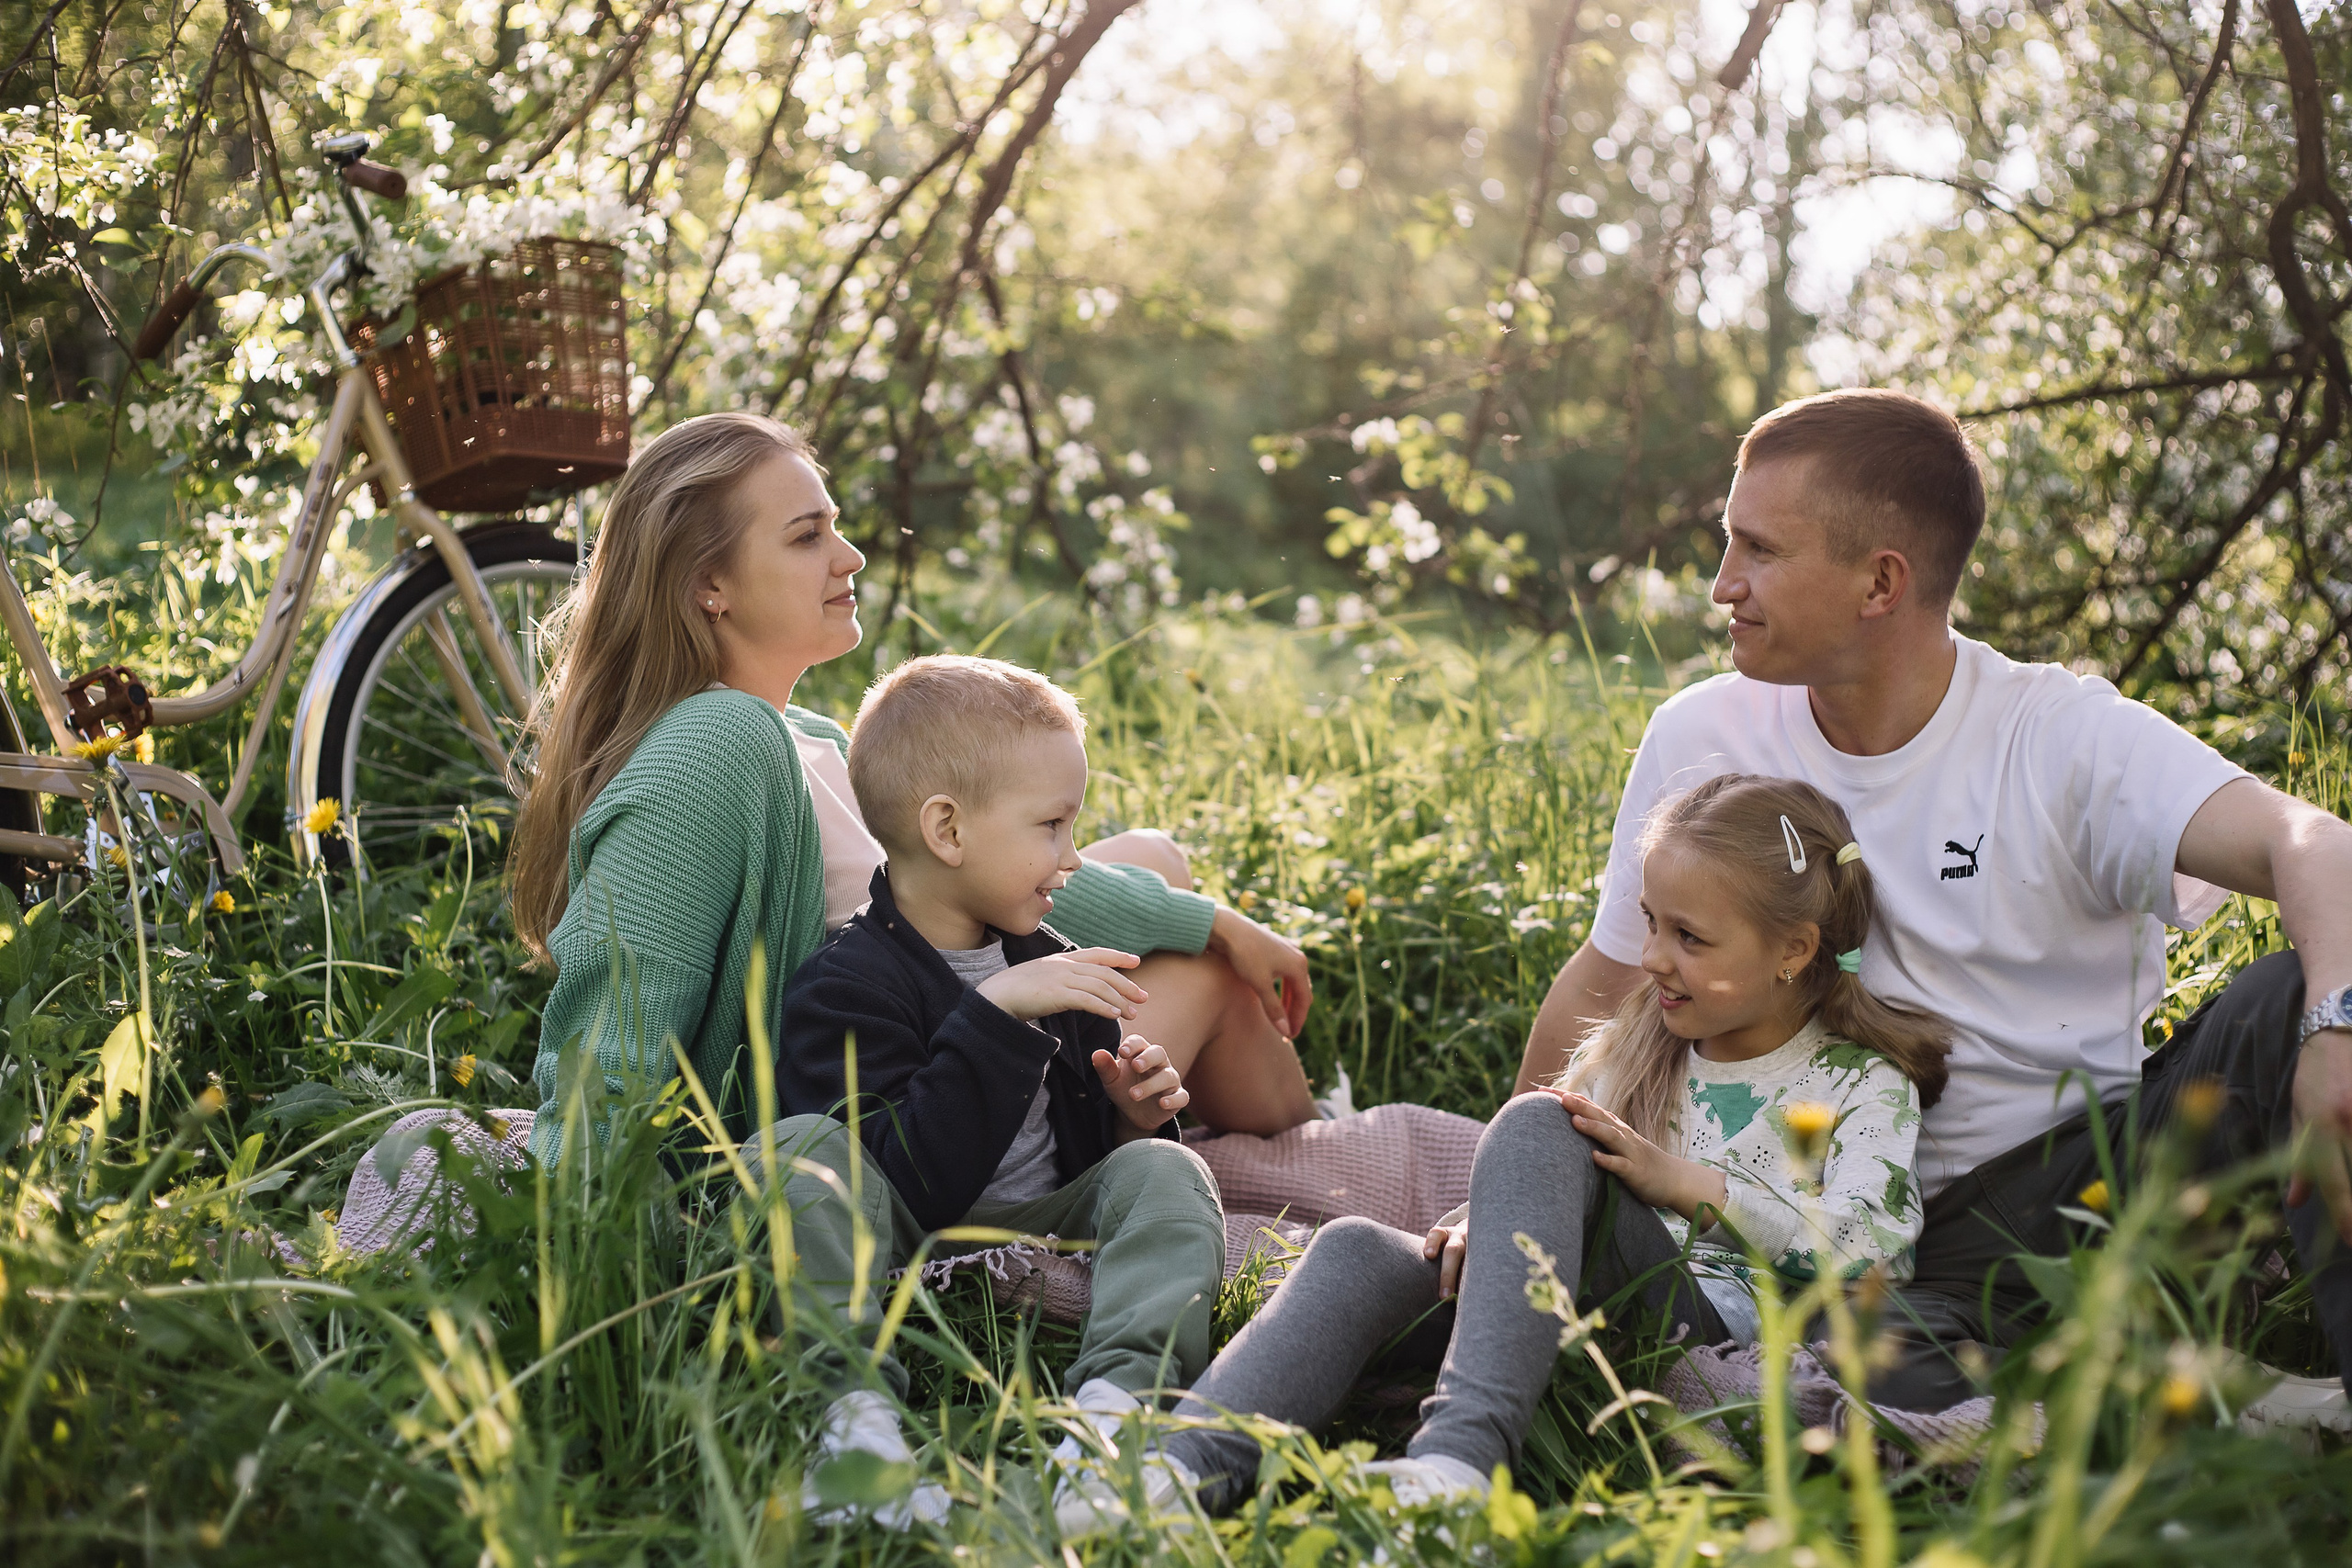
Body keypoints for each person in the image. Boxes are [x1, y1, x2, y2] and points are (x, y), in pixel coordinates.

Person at [1512, 388, 2352, 1409]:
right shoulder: (1701, 735)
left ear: (1880, 581)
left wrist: (2334, 1028)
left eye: (1759, 551)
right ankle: (2156, 1394)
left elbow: (2313, 843)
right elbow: (1604, 981)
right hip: (1835, 1239)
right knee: (1829, 1389)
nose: (1722, 584)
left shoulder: (2057, 735)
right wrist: (1508, 1197)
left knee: (2293, 1000)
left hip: (2083, 1191)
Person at [510, 412, 1320, 1173]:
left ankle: (1252, 1128)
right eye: (806, 536)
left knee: (1158, 862)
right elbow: (613, 1041)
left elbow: (977, 870)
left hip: (929, 993)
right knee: (1211, 976)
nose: (850, 555)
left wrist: (1215, 918)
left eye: (833, 524)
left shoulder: (812, 739)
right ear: (707, 585)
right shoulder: (712, 746)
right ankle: (1309, 1149)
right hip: (896, 1102)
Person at [1141, 775, 1951, 1510]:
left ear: (1794, 951)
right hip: (1555, 1294)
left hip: (1707, 1314)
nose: (1652, 957)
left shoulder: (1858, 1083)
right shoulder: (1639, 1043)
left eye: (1690, 938)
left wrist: (1687, 1184)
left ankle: (1458, 1460)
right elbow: (1542, 1174)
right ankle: (1179, 1469)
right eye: (1650, 923)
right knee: (1356, 1247)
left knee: (1540, 1118)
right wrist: (1479, 1216)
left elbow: (1875, 1251)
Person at [767, 654, 1227, 1531]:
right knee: (796, 1149)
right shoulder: (846, 986)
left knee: (1173, 1177)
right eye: (1052, 825)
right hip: (906, 1226)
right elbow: (901, 1185)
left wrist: (1132, 1120)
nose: (1073, 854)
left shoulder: (1047, 960)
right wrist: (993, 1015)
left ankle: (1113, 1425)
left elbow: (1086, 1159)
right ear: (947, 829)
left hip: (1038, 1221)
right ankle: (853, 1431)